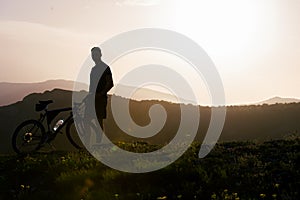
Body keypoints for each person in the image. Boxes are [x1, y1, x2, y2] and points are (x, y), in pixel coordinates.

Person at [88, 47, 114, 143]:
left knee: (99, 121)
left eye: (96, 54)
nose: (94, 57)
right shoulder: (93, 69)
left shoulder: (105, 68)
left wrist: (101, 94)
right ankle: (88, 143)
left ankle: (98, 142)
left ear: (100, 55)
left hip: (100, 99)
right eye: (92, 55)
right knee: (87, 120)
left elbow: (110, 83)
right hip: (91, 97)